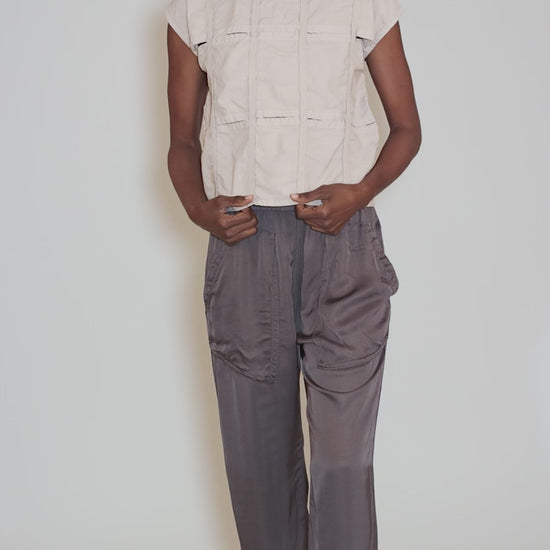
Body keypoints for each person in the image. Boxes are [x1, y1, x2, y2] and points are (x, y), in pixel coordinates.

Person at [164, 0, 421, 548]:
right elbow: (182, 140)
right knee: (259, 466)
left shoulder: (364, 4)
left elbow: (406, 128)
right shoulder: (195, 10)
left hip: (344, 247)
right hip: (244, 247)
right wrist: (198, 210)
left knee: (343, 465)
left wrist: (361, 193)